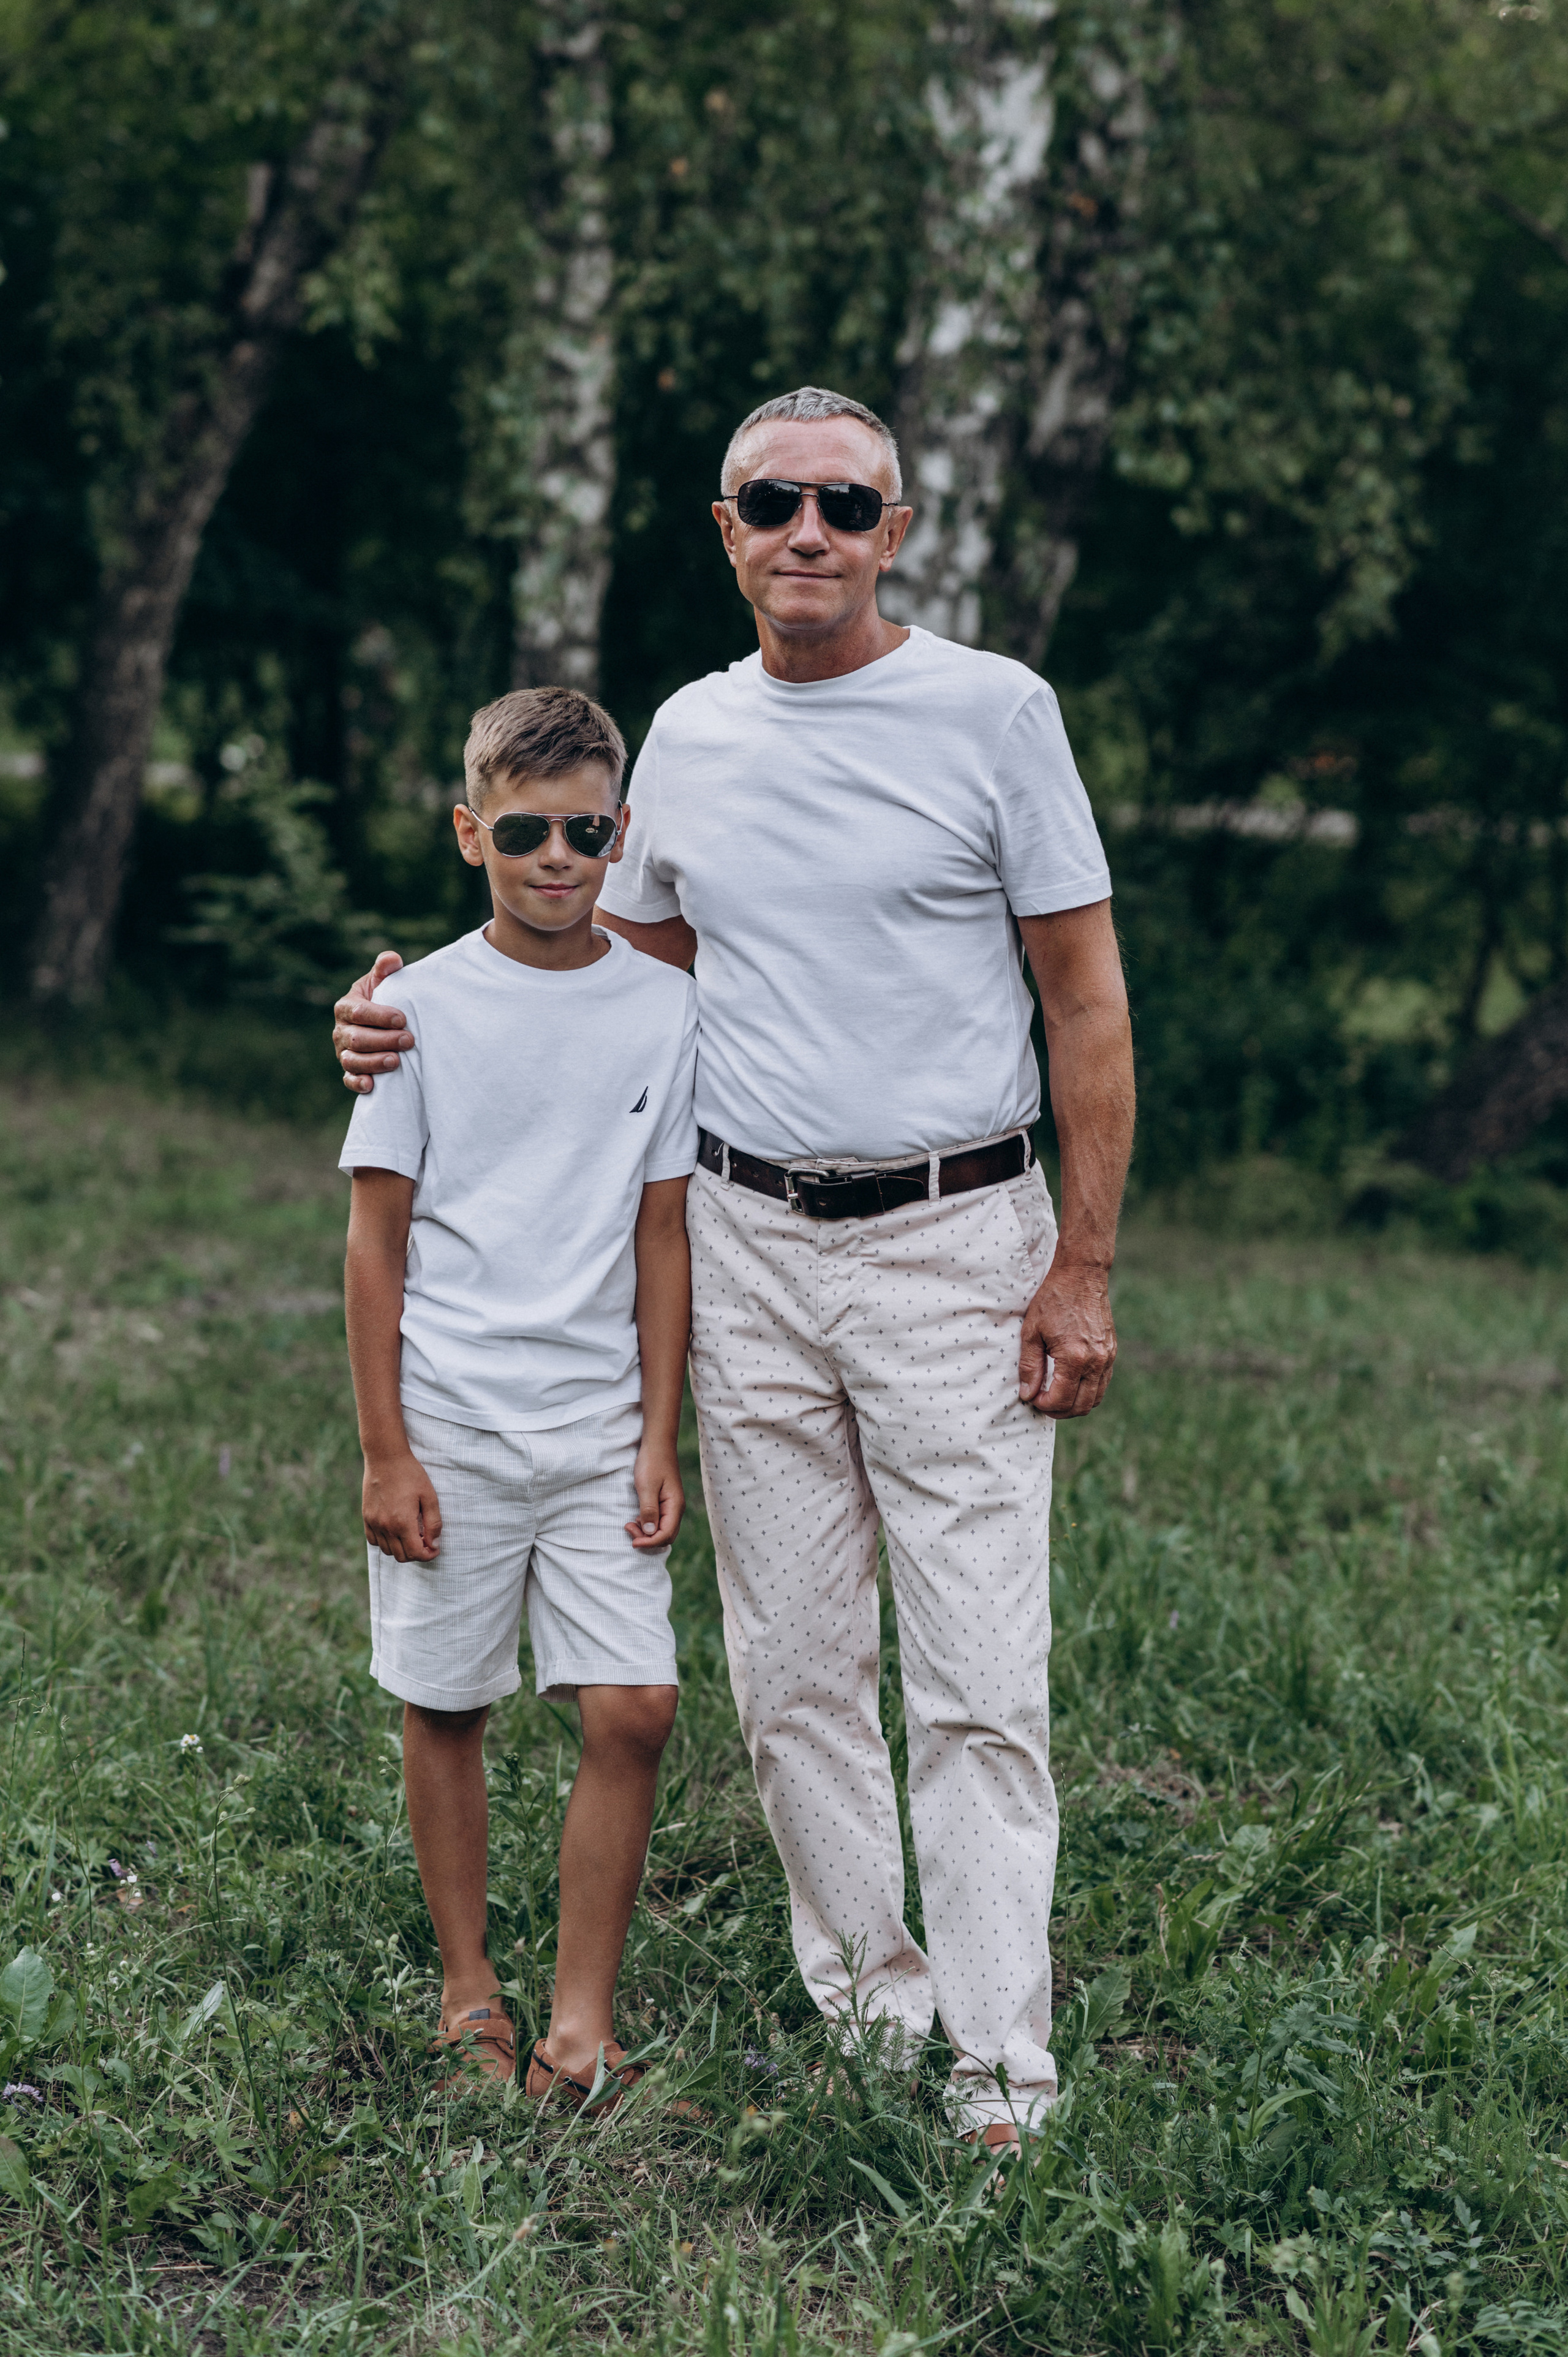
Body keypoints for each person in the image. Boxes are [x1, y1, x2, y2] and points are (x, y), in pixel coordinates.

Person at [336, 387, 1136, 2153]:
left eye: (847, 503)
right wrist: (393, 1014)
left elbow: (1083, 994)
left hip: (956, 1236)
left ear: (896, 528)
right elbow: (587, 976)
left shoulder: (997, 714)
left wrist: (1079, 1263)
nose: (809, 531)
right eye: (772, 499)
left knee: (979, 1681)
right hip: (751, 1240)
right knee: (788, 1679)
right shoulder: (685, 739)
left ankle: (1001, 2073)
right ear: (726, 529)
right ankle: (869, 2009)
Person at [340, 684, 698, 2105]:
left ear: (621, 831)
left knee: (634, 1710)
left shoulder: (664, 1006)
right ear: (468, 831)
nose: (557, 857)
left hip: (601, 1424)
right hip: (455, 1419)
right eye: (524, 830)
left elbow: (660, 1232)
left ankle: (581, 2018)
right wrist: (386, 1449)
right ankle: (469, 1986)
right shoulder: (415, 1007)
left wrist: (658, 1429)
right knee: (449, 1698)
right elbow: (375, 1239)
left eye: (587, 830)